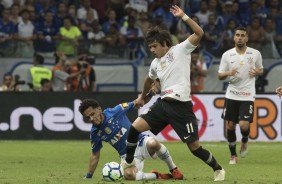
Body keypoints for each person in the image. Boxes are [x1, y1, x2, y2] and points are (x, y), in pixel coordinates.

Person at [122, 5, 225, 182]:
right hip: (163, 104)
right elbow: (149, 80)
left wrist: (183, 16)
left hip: (181, 107)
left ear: (164, 44)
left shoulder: (180, 50)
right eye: (150, 47)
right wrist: (142, 97)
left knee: (194, 148)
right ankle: (129, 161)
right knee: (134, 129)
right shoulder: (155, 63)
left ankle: (218, 169)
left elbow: (199, 33)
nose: (152, 50)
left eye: (154, 46)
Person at [78, 99, 183, 180]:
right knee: (129, 175)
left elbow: (137, 102)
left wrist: (148, 94)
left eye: (92, 114)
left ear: (99, 109)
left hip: (141, 142)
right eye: (88, 117)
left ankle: (173, 169)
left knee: (153, 143)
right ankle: (157, 175)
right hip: (127, 156)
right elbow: (95, 155)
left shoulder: (116, 111)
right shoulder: (95, 132)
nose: (91, 119)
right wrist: (88, 176)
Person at [218, 26, 264, 165]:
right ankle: (233, 155)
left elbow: (260, 69)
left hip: (247, 94)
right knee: (230, 126)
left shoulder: (255, 54)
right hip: (232, 94)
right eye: (237, 35)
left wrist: (257, 72)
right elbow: (220, 75)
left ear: (247, 38)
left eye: (243, 35)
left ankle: (244, 140)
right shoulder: (227, 55)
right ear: (234, 37)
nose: (240, 37)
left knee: (244, 125)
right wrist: (228, 73)